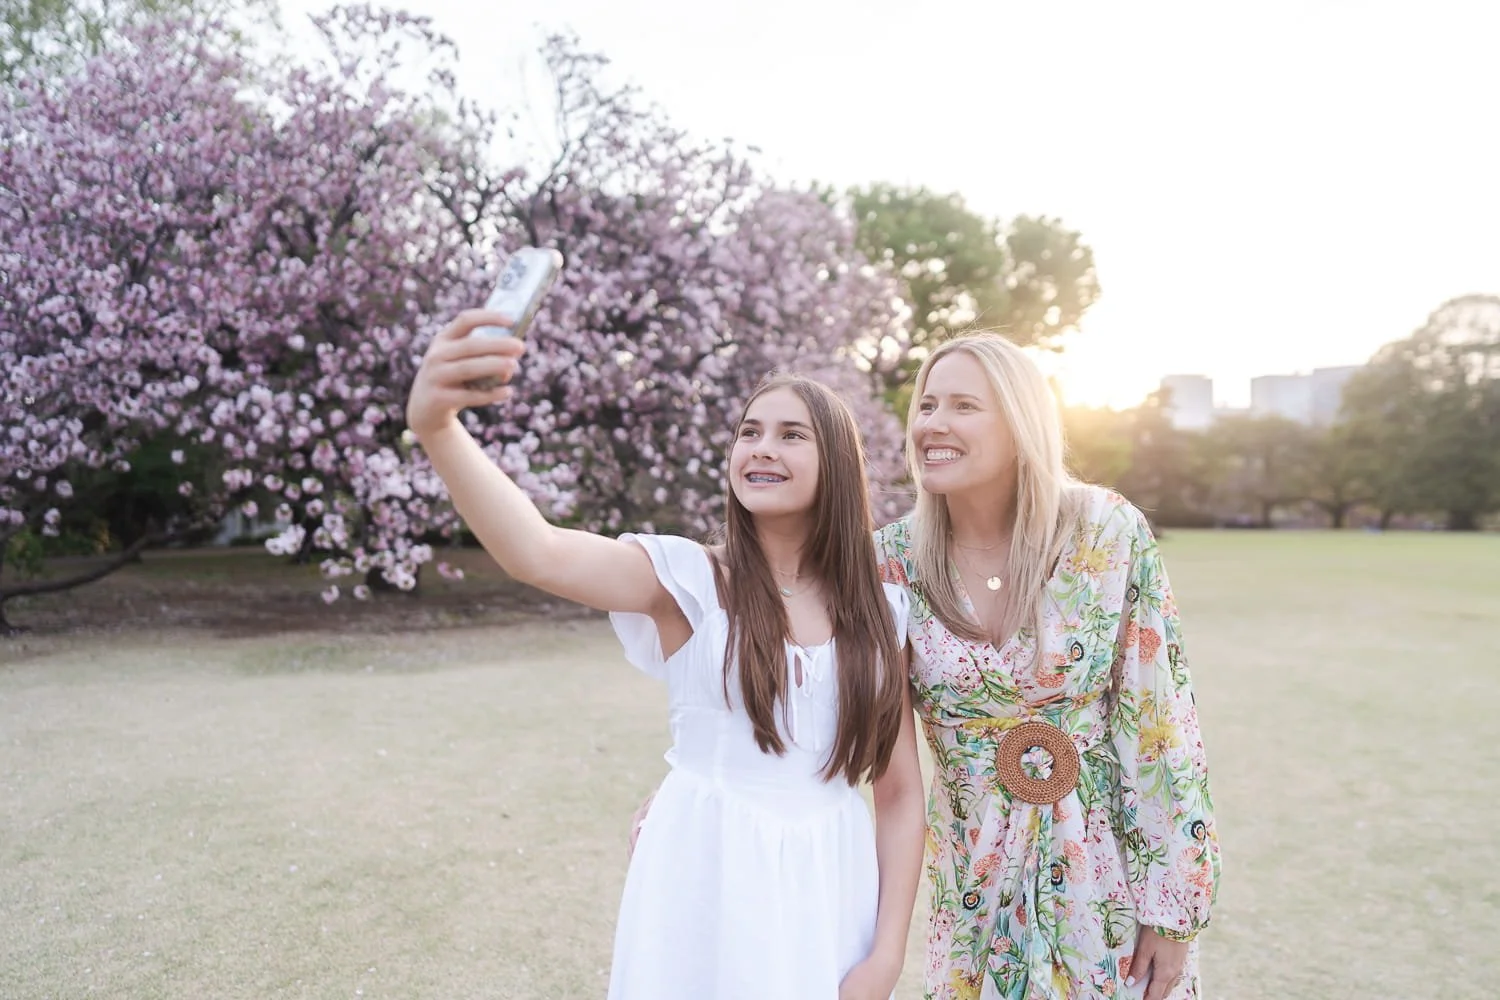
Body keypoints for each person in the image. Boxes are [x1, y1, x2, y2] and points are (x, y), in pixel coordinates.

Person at [634, 332, 1222, 1000]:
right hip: (974, 882)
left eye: (963, 406)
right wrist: (690, 790)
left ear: (1020, 421)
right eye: (927, 405)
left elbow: (1161, 727)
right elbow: (807, 680)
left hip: (1104, 874)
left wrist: (1174, 909)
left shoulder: (1106, 533)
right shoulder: (888, 565)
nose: (932, 424)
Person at [405, 307, 927, 1000]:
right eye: (749, 432)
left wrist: (887, 955)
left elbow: (897, 795)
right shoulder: (688, 581)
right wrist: (438, 429)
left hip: (829, 886)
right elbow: (539, 551)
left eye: (790, 435)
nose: (761, 448)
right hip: (703, 876)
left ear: (837, 465)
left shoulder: (880, 614)